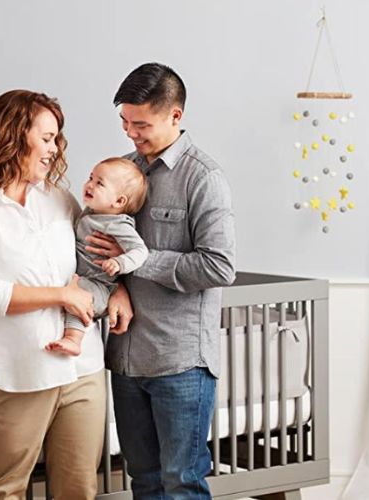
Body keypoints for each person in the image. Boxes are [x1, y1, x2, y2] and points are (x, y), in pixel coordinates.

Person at [0, 89, 132, 500]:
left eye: (57, 139)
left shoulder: (60, 200)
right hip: (15, 373)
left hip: (82, 371)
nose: (54, 149)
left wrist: (121, 291)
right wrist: (61, 295)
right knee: (2, 490)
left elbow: (92, 259)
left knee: (79, 489)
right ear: (11, 135)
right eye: (45, 137)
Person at [96, 63, 236, 498]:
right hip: (126, 358)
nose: (131, 133)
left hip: (180, 363)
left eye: (141, 124)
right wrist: (116, 280)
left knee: (181, 484)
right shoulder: (122, 172)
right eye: (125, 123)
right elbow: (102, 250)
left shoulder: (204, 177)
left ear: (175, 117)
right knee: (144, 481)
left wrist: (137, 260)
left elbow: (218, 266)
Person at [46, 157, 148, 356]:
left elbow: (140, 251)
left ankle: (73, 339)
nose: (90, 185)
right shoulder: (91, 212)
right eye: (91, 178)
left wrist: (119, 262)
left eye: (99, 183)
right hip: (87, 279)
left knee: (80, 296)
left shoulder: (118, 224)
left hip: (100, 287)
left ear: (119, 201)